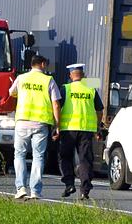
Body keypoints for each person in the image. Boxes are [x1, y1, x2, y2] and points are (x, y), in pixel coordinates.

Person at [9, 55, 61, 200]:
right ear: (43, 64)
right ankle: (35, 191)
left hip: (22, 122)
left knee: (19, 155)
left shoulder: (21, 78)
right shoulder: (48, 80)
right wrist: (57, 124)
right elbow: (56, 104)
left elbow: (11, 92)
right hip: (40, 124)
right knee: (38, 157)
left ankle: (20, 188)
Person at [58, 63, 104, 200]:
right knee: (85, 160)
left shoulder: (65, 88)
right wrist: (97, 127)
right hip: (86, 130)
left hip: (68, 129)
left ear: (70, 75)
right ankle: (85, 190)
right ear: (83, 75)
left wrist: (56, 126)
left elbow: (57, 107)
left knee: (65, 157)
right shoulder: (91, 89)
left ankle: (69, 184)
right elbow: (100, 110)